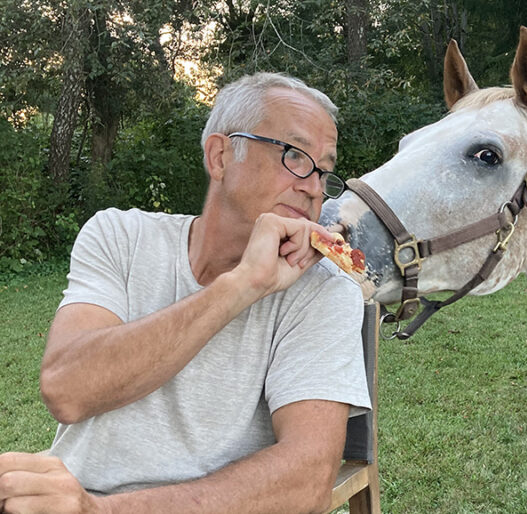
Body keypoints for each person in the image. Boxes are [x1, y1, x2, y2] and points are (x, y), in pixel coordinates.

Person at [0, 73, 371, 513]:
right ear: (219, 156)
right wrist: (238, 287)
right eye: (294, 156)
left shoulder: (323, 292)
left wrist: (100, 510)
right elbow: (66, 390)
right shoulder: (121, 236)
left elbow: (305, 479)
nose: (313, 187)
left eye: (324, 170)